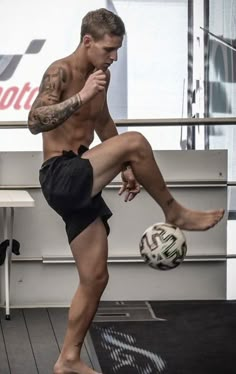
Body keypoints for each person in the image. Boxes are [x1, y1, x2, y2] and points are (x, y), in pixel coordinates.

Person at [28, 8, 224, 374]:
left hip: (84, 176)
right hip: (61, 174)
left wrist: (126, 167)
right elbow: (34, 122)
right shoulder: (61, 71)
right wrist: (82, 96)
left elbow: (101, 122)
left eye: (117, 50)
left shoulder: (101, 75)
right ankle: (173, 211)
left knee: (96, 276)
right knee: (137, 140)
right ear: (87, 41)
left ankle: (68, 359)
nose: (114, 56)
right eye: (108, 49)